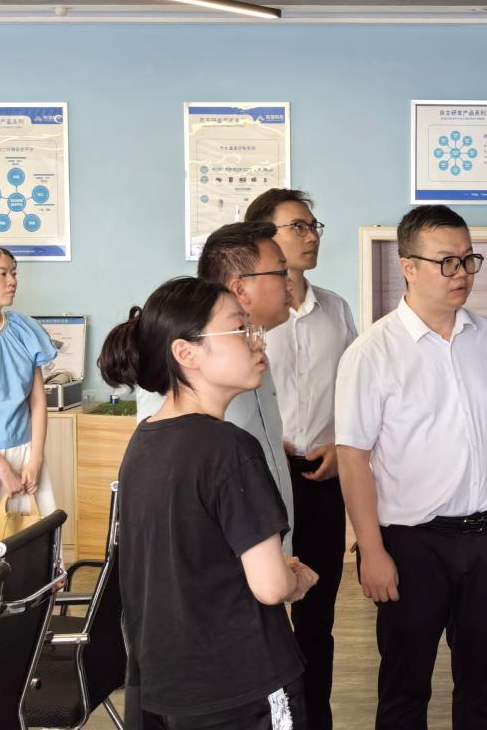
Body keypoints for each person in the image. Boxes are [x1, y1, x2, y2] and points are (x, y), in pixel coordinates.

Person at [335, 205, 487, 730]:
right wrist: (372, 550)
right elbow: (353, 458)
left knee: (485, 684)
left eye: (468, 260)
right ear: (408, 266)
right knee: (405, 687)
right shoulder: (371, 353)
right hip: (412, 544)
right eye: (446, 262)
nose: (461, 273)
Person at [99, 276, 319, 729]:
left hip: (171, 685)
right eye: (239, 328)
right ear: (186, 353)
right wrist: (296, 578)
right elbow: (271, 587)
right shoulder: (230, 448)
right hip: (242, 683)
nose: (258, 340)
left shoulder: (144, 440)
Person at [245, 188, 358, 730]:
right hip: (260, 480)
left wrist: (342, 445)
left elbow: (357, 390)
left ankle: (315, 719)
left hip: (321, 476)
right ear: (263, 238)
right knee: (258, 609)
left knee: (317, 615)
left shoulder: (335, 309)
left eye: (314, 226)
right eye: (297, 227)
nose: (311, 236)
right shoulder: (243, 315)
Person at [136, 222, 295, 552]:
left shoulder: (253, 361)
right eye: (281, 272)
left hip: (263, 551)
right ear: (240, 288)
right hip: (220, 564)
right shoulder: (181, 369)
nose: (290, 282)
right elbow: (167, 481)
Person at [0, 244, 58, 518]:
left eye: (14, 273)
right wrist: (2, 468)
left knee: (39, 535)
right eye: (3, 274)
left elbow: (37, 400)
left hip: (26, 452)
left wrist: (35, 459)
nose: (12, 281)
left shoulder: (23, 329)